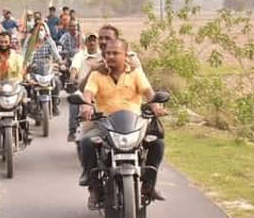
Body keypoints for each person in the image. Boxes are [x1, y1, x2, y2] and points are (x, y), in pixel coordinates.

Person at [78, 38, 166, 207]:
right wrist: (86, 106)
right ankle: (94, 187)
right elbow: (88, 93)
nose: (110, 56)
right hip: (105, 125)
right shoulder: (97, 75)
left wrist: (156, 107)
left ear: (125, 55)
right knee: (86, 142)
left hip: (135, 125)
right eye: (108, 53)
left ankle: (148, 185)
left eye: (115, 53)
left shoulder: (135, 73)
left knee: (158, 144)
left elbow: (149, 93)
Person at [22, 21, 63, 115]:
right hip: (34, 70)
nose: (40, 32)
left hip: (47, 70)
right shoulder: (30, 43)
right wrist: (26, 64)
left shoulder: (49, 41)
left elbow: (56, 56)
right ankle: (31, 105)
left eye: (41, 30)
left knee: (57, 82)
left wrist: (61, 63)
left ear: (45, 31)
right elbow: (25, 56)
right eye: (38, 30)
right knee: (26, 85)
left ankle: (54, 104)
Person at [66, 32, 100, 142]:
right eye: (90, 40)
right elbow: (74, 68)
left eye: (94, 40)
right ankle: (72, 130)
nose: (92, 42)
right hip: (83, 88)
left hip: (100, 89)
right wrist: (72, 79)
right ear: (86, 43)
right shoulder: (80, 55)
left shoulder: (103, 56)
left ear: (98, 42)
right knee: (74, 101)